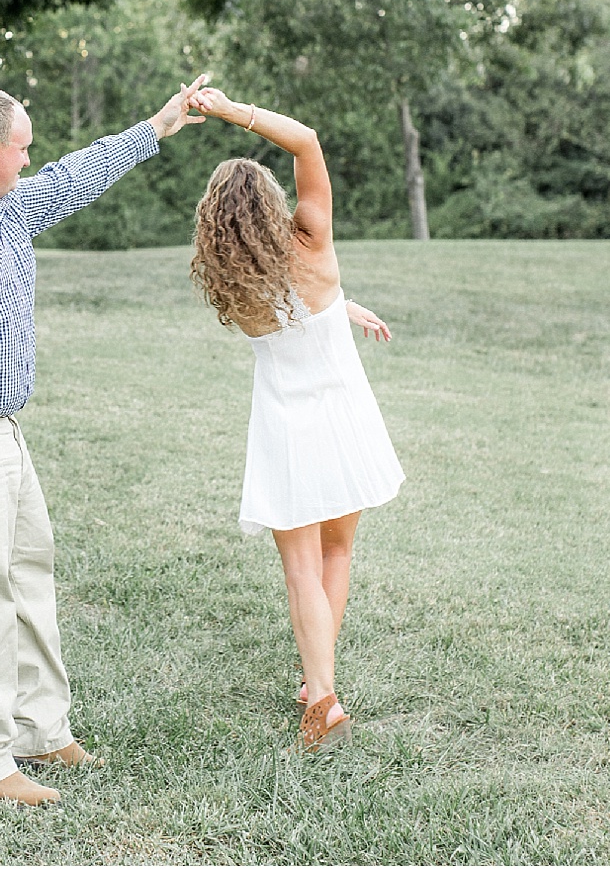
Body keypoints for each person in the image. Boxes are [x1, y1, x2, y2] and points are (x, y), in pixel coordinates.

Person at [0, 74, 209, 805]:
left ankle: (39, 729)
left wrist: (157, 125)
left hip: (1, 434)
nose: (30, 158)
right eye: (21, 145)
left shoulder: (6, 208)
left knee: (28, 576)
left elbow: (75, 175)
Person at [185, 84, 404, 754]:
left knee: (301, 568)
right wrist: (230, 111)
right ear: (273, 203)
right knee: (338, 550)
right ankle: (318, 688)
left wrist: (342, 307)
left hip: (287, 427)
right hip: (347, 417)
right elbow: (306, 139)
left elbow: (290, 311)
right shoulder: (314, 240)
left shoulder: (230, 280)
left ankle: (324, 692)